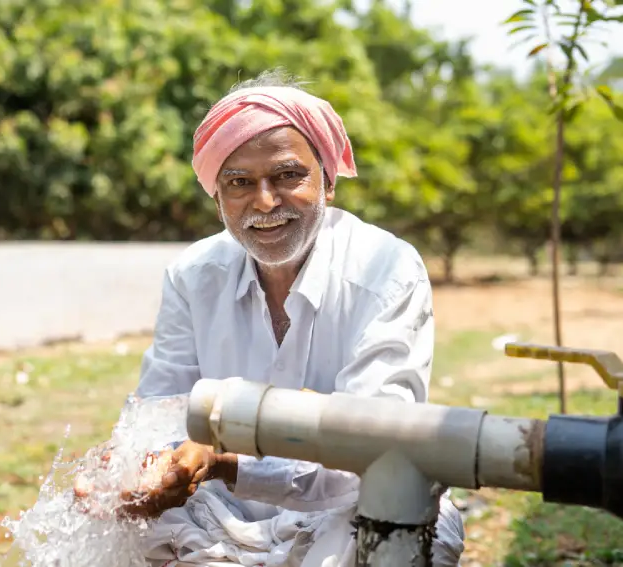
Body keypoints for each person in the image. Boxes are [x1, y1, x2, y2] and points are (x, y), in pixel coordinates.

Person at [75, 69, 465, 565]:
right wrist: (144, 468)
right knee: (118, 524)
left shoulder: (385, 269)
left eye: (287, 175)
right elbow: (161, 407)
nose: (264, 201)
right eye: (239, 182)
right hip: (219, 508)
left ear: (327, 180)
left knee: (409, 527)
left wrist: (225, 459)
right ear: (217, 199)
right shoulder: (193, 275)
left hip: (340, 510)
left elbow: (376, 447)